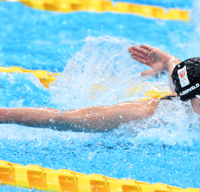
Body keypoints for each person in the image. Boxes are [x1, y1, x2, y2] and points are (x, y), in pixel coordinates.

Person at [0, 44, 200, 132]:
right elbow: (61, 117)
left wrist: (171, 61)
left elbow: (181, 90)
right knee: (66, 118)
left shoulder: (187, 97)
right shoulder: (151, 115)